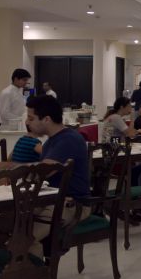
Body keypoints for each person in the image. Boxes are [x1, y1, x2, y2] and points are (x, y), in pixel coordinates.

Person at [23, 95, 90, 255]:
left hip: (73, 204)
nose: (27, 122)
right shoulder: (52, 141)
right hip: (52, 199)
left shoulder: (68, 140)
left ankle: (35, 269)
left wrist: (11, 167)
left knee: (24, 238)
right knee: (8, 221)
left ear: (46, 119)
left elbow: (42, 171)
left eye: (31, 118)